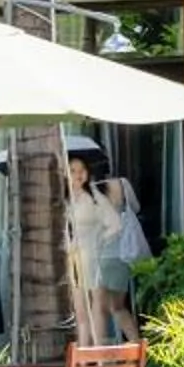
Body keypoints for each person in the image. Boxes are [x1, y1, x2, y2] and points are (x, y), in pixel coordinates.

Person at [63, 147, 146, 346]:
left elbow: (113, 224)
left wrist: (98, 240)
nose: (78, 174)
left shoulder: (92, 194)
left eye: (81, 170)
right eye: (73, 171)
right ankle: (87, 353)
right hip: (80, 258)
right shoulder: (69, 198)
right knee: (86, 310)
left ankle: (101, 354)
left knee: (98, 308)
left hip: (94, 257)